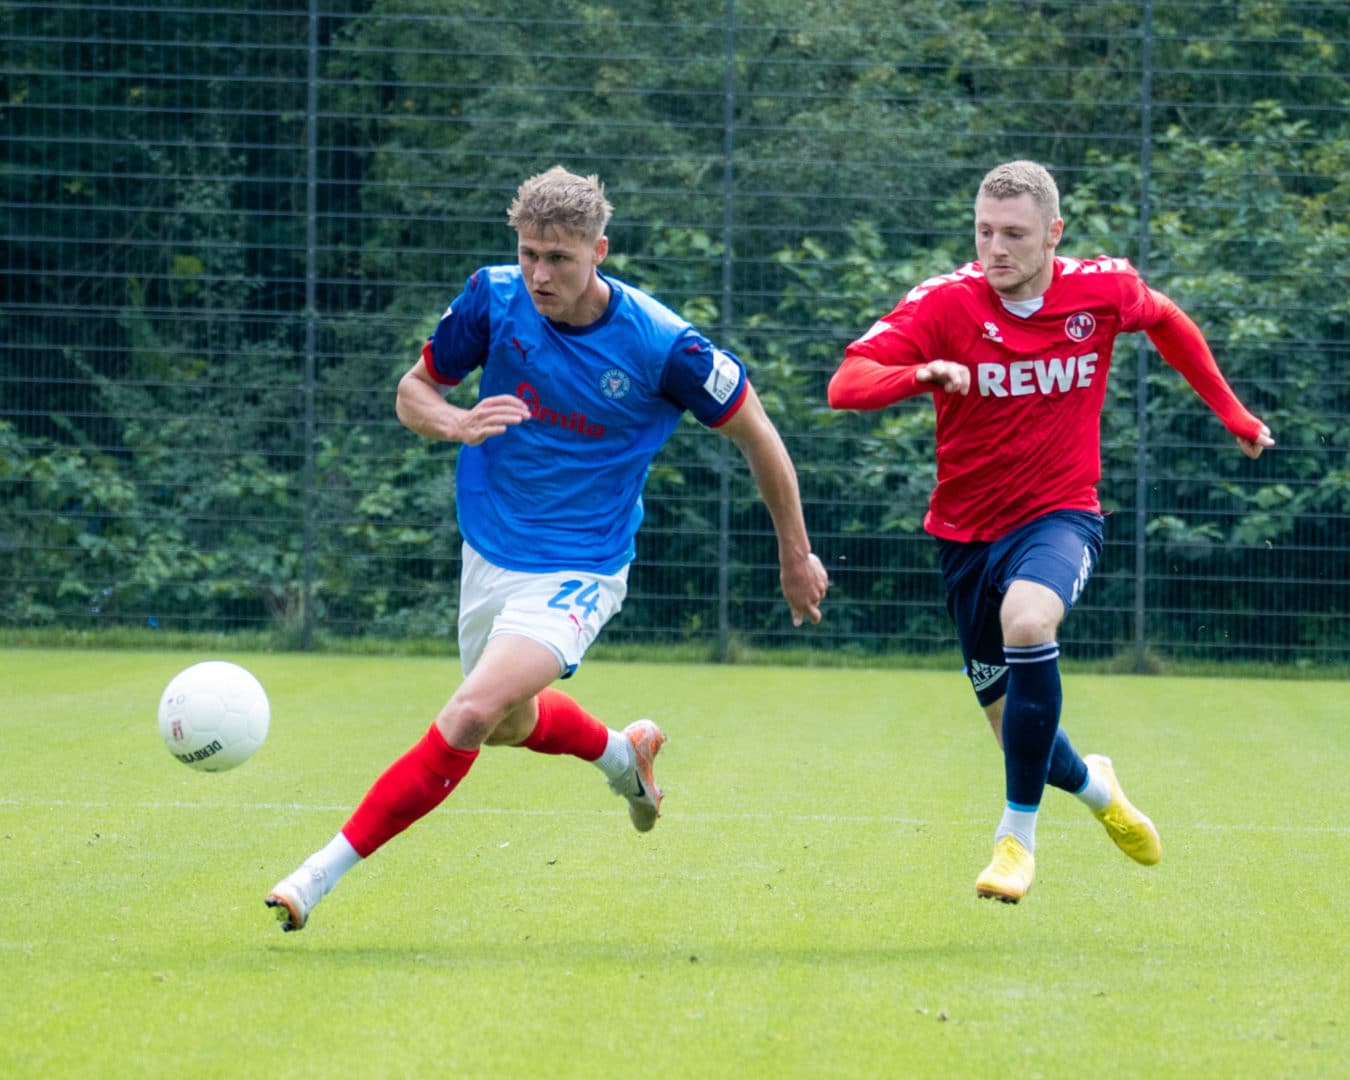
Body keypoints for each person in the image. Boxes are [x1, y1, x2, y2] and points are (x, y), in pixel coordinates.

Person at [266, 165, 829, 931]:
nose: (539, 273)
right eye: (529, 253)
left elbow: (756, 431)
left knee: (468, 714)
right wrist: (456, 422)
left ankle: (315, 876)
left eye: (559, 258)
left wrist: (794, 556)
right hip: (490, 549)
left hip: (581, 567)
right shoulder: (492, 297)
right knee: (505, 721)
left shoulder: (665, 346)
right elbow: (413, 392)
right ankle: (621, 757)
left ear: (600, 250)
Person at [827, 160, 1273, 903]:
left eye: (1013, 235)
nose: (994, 249)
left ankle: (1015, 841)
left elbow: (1165, 320)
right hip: (965, 536)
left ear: (1053, 235)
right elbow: (846, 383)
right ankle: (1097, 787)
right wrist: (921, 375)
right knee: (1019, 736)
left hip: (1060, 513)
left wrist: (1233, 413)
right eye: (983, 232)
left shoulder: (1101, 290)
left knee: (1029, 620)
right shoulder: (945, 304)